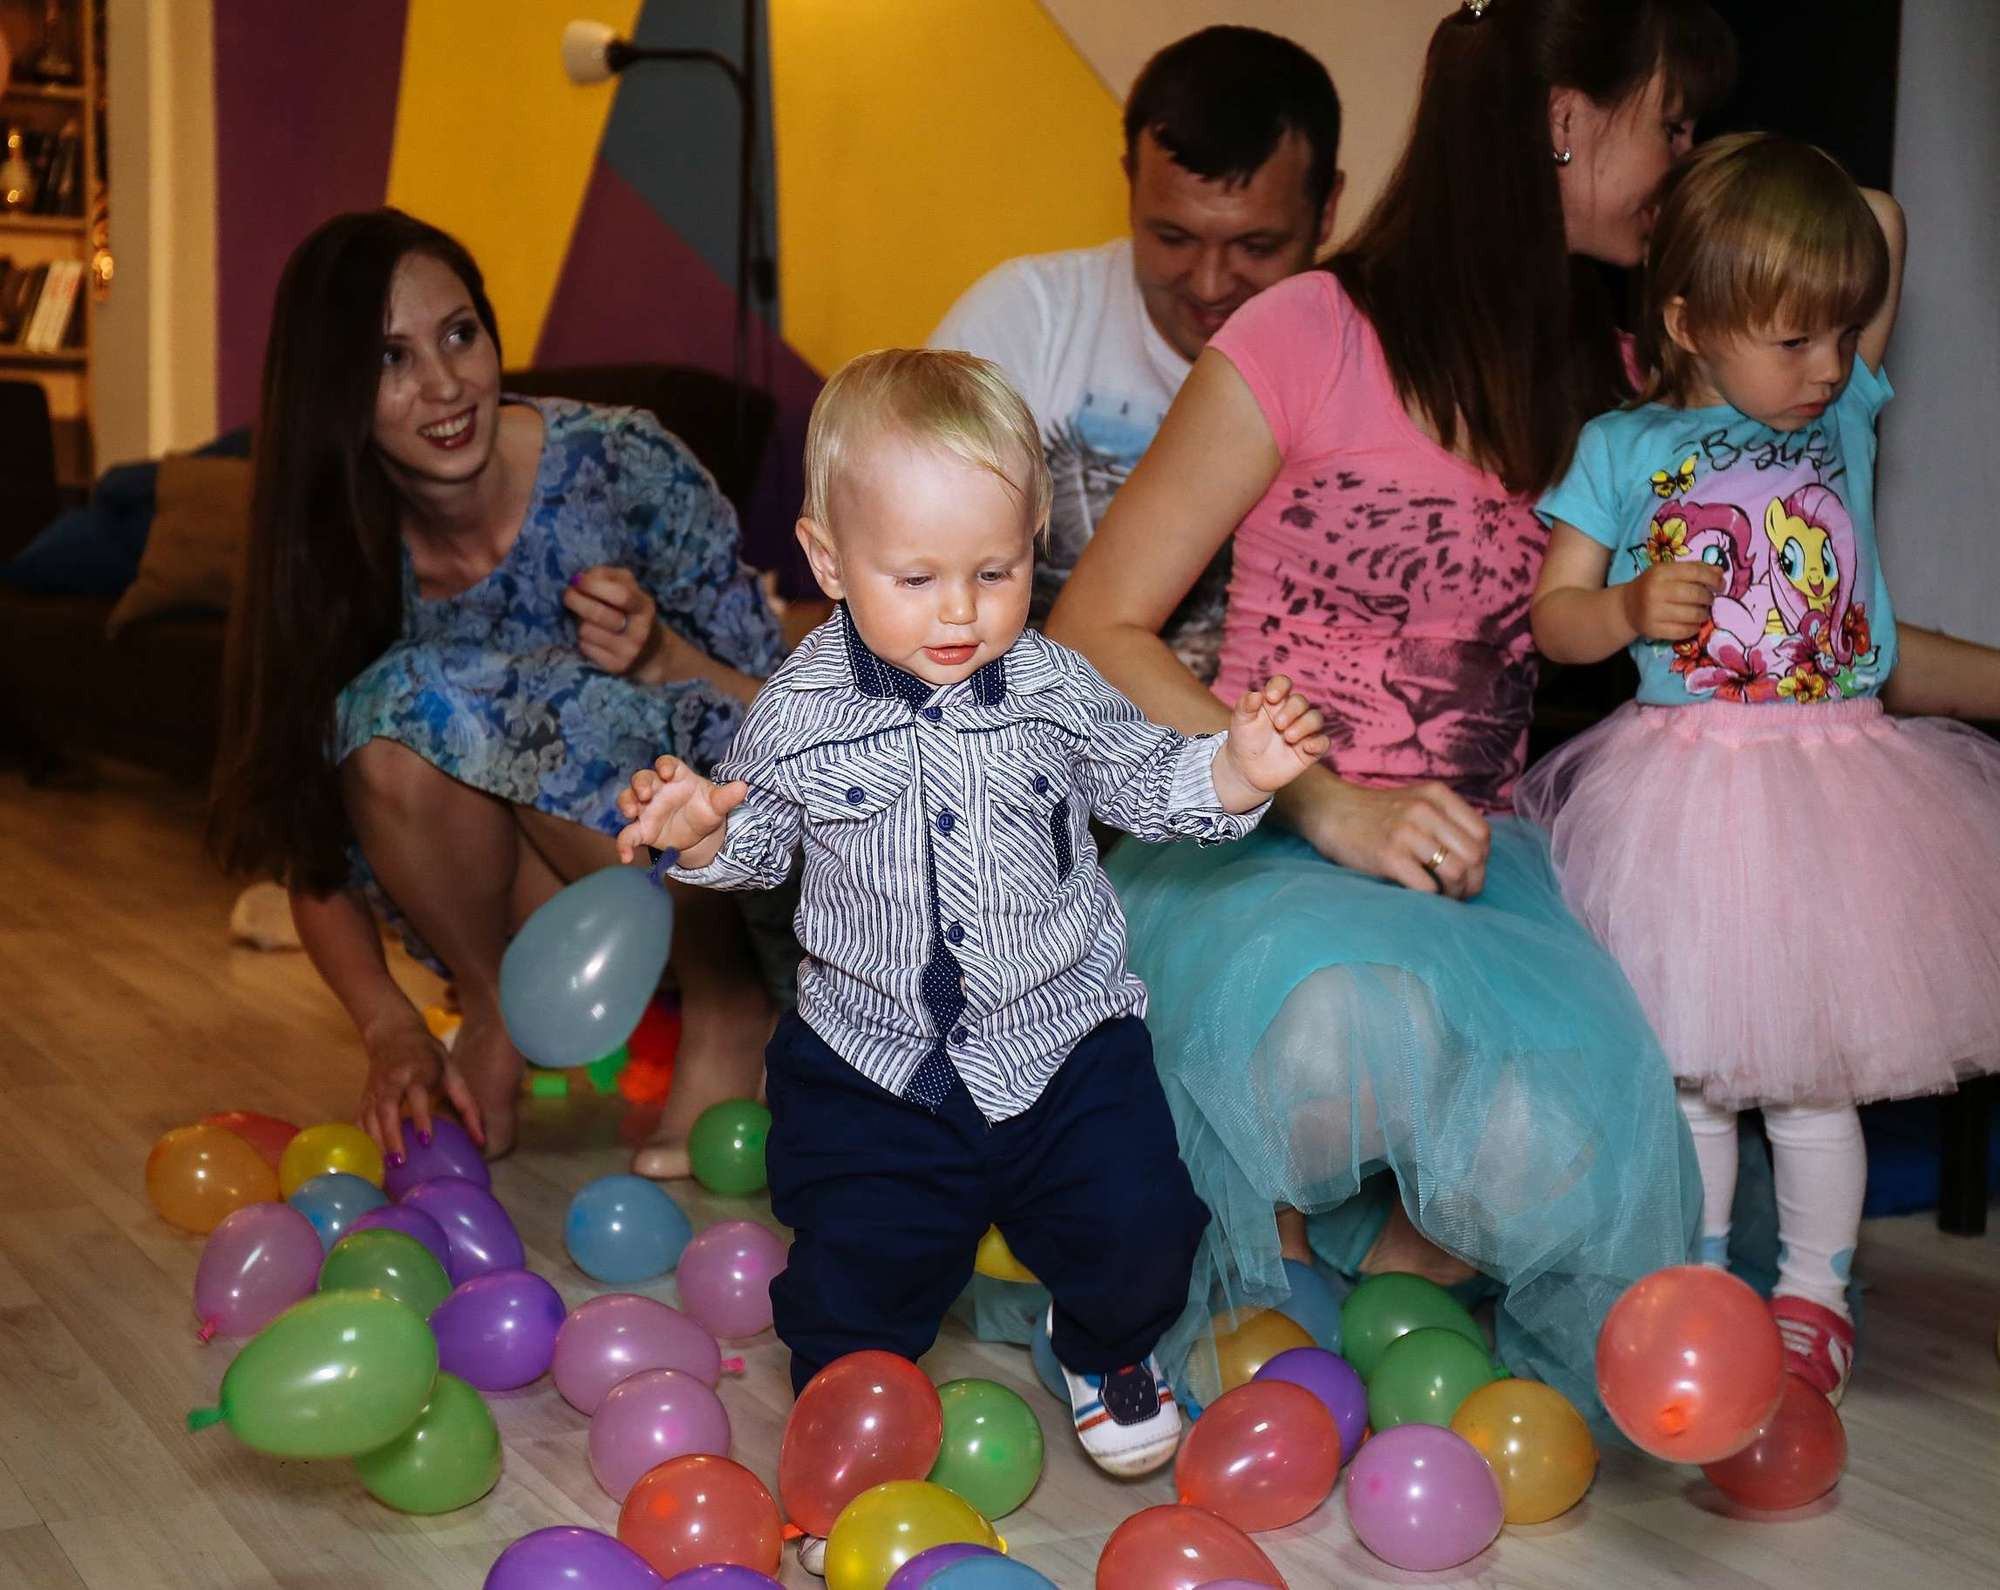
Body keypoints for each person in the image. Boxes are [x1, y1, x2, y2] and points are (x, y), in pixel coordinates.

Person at [1046, 0, 1735, 1421]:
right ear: (1564, 119)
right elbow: (1093, 624)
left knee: (1568, 1134)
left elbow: (1861, 254)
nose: (1685, 153)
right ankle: (1273, 1284)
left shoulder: (1608, 388)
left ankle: (1373, 1304)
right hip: (1267, 849)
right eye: (1667, 120)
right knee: (1339, 1021)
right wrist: (1323, 800)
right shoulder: (1308, 327)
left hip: (1473, 864)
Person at [615, 349, 1327, 1516]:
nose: (958, 610)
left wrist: (1234, 769)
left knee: (1143, 1225)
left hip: (1062, 1037)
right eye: (916, 576)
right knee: (856, 1269)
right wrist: (699, 833)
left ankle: (1106, 1343)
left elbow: (1146, 783)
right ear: (829, 560)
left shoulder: (1053, 686)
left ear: (1036, 540)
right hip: (871, 1060)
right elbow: (761, 848)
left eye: (993, 572)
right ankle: (847, 1410)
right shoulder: (797, 709)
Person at [1518, 133, 2000, 1404]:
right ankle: (1702, 1287)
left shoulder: (1840, 411)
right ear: (1685, 317)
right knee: (1693, 1082)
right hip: (1687, 795)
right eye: (1791, 340)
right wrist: (1624, 610)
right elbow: (1552, 618)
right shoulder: (1620, 450)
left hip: (1836, 787)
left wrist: (1758, 189)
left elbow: (1880, 219)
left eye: (1839, 334)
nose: (1827, 366)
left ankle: (1812, 1296)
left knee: (1809, 1079)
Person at [210, 209, 783, 1169]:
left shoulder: (624, 463)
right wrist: (390, 1027)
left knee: (480, 703)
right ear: (335, 392)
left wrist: (661, 662)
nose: (444, 385)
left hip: (708, 863)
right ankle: (495, 1008)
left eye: (459, 333)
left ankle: (731, 1004)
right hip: (529, 904)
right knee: (389, 722)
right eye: (390, 359)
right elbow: (305, 839)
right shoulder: (334, 554)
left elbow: (792, 718)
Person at [930, 24, 1342, 680]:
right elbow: (899, 572)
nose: (1210, 283)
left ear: (1327, 210)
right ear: (1128, 183)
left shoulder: (1371, 360)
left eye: (1256, 247)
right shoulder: (1027, 318)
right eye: (1173, 237)